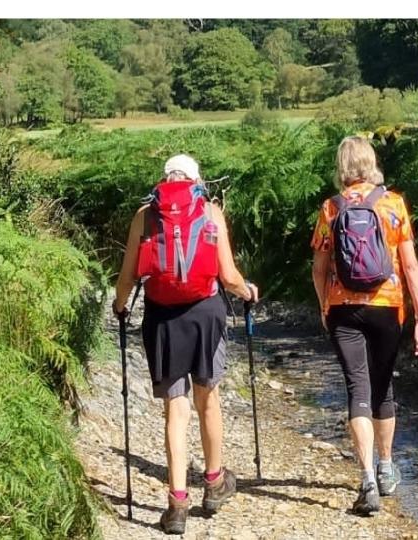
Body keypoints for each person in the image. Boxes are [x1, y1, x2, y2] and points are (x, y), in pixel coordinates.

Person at [113, 154, 259, 535]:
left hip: (161, 318)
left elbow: (128, 276)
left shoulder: (145, 215)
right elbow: (227, 276)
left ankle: (177, 504)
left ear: (165, 180)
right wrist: (248, 291)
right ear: (196, 181)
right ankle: (213, 482)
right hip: (206, 314)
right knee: (207, 399)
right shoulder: (210, 211)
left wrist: (119, 304)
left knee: (175, 410)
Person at [310, 136, 418, 516]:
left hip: (344, 309)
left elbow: (318, 269)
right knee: (383, 386)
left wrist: (324, 306)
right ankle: (385, 466)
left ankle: (366, 480)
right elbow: (410, 265)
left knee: (356, 388)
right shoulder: (393, 205)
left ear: (342, 167)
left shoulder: (331, 209)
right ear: (371, 162)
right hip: (388, 307)